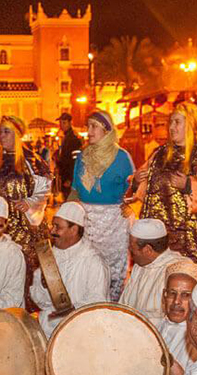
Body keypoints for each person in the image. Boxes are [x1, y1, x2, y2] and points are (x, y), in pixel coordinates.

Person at [0, 116, 53, 305]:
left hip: (24, 233)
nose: (1, 136)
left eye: (6, 131)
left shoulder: (33, 160)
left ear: (17, 133)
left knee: (22, 275)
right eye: (0, 131)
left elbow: (45, 189)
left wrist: (30, 202)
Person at [134, 102, 197, 269]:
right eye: (170, 122)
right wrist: (136, 180)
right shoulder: (159, 154)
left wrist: (189, 184)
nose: (171, 127)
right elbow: (139, 185)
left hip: (188, 240)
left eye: (177, 122)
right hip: (157, 238)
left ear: (190, 124)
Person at [72, 111, 135, 300]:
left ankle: (112, 310)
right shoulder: (83, 156)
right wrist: (68, 215)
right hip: (87, 221)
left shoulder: (122, 157)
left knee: (113, 272)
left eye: (93, 126)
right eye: (87, 126)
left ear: (106, 130)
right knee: (88, 269)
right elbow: (75, 189)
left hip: (114, 223)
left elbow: (134, 187)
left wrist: (128, 203)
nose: (88, 131)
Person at [30, 202, 110, 338]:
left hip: (81, 335)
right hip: (49, 331)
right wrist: (44, 287)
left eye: (58, 227)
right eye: (53, 225)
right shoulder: (48, 257)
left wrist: (68, 312)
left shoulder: (93, 261)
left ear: (74, 230)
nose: (52, 231)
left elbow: (97, 303)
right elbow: (39, 301)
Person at [119, 219, 185, 327]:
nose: (130, 252)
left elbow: (174, 323)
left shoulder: (177, 272)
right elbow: (124, 306)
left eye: (132, 249)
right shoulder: (139, 266)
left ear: (148, 250)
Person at [56, 112, 82, 201]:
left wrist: (70, 179)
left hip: (70, 179)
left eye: (64, 123)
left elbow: (76, 161)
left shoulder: (73, 139)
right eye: (60, 123)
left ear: (70, 123)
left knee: (70, 203)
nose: (61, 125)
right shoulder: (66, 137)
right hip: (65, 177)